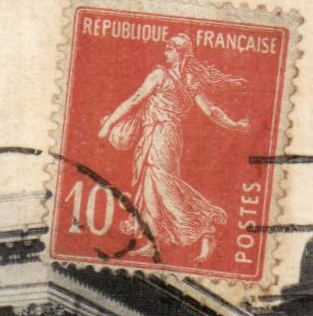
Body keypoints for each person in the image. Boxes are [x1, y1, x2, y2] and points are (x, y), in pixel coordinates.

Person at [97, 32, 251, 263]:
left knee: (164, 186)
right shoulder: (185, 80)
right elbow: (210, 111)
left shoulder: (165, 76)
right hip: (155, 134)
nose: (165, 53)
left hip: (163, 135)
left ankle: (206, 230)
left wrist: (109, 124)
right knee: (150, 187)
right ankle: (153, 241)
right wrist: (235, 125)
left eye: (170, 49)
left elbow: (136, 100)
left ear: (181, 53)